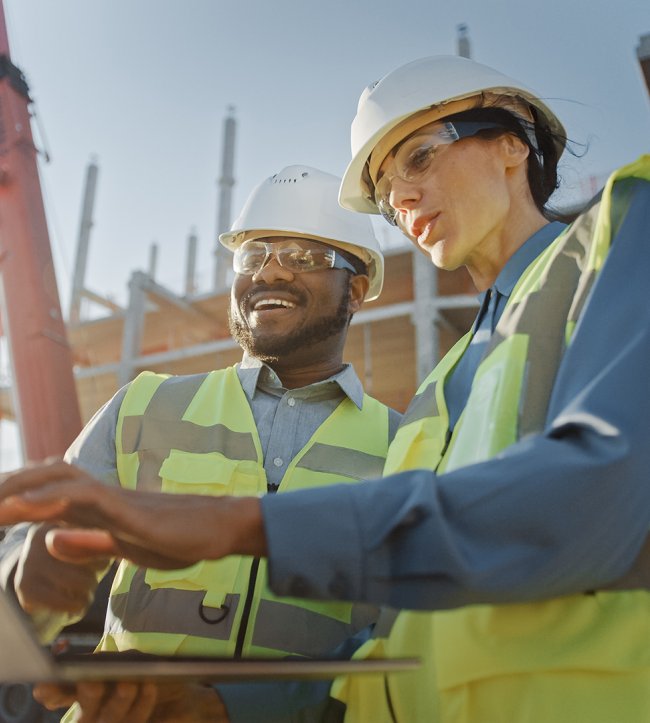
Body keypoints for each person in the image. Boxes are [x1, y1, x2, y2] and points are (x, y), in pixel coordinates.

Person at [1, 55, 649, 723]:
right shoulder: (444, 388)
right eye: (386, 187)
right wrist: (214, 704)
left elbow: (592, 497)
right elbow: (388, 646)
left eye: (420, 158)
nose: (402, 197)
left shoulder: (618, 234)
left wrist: (232, 524)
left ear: (514, 141)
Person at [0, 165, 400, 722]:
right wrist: (24, 575)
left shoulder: (407, 445)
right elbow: (32, 552)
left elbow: (401, 643)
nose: (271, 273)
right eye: (254, 255)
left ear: (355, 291)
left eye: (304, 258)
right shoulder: (142, 406)